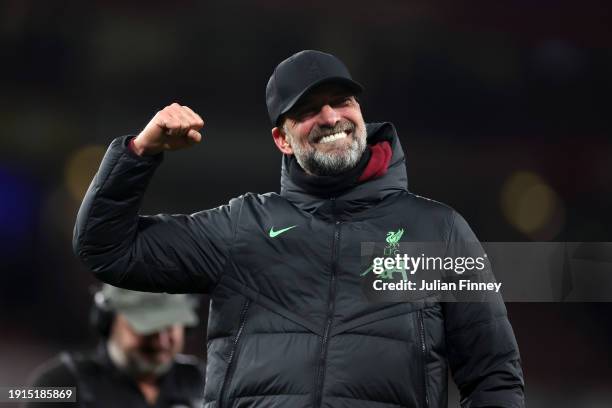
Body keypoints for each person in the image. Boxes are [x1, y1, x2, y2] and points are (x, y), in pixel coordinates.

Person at [73, 50, 525, 407]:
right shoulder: (241, 228)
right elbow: (107, 248)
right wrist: (139, 152)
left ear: (360, 111)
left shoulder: (438, 232)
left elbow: (494, 377)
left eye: (341, 102)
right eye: (307, 110)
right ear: (282, 139)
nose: (330, 117)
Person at [26, 284, 204, 408]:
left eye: (171, 325)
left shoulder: (206, 383)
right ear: (108, 321)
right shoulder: (57, 385)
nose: (162, 340)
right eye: (148, 326)